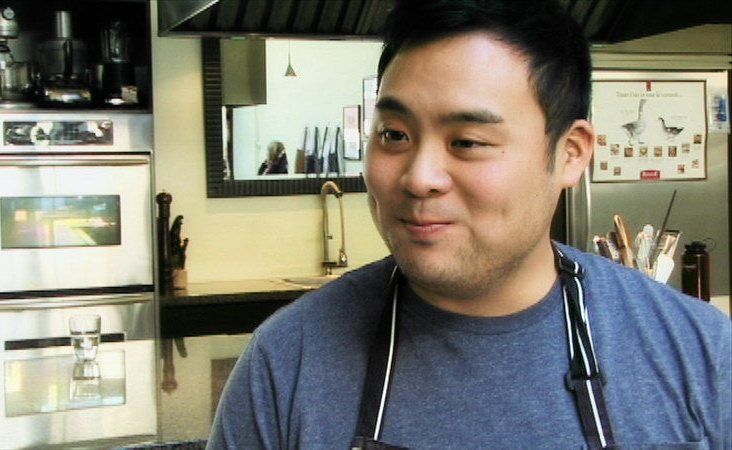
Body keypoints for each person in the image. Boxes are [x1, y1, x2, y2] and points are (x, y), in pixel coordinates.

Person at [207, 0, 731, 448]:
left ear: (570, 154)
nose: (419, 178)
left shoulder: (700, 354)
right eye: (393, 135)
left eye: (467, 142)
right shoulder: (286, 364)